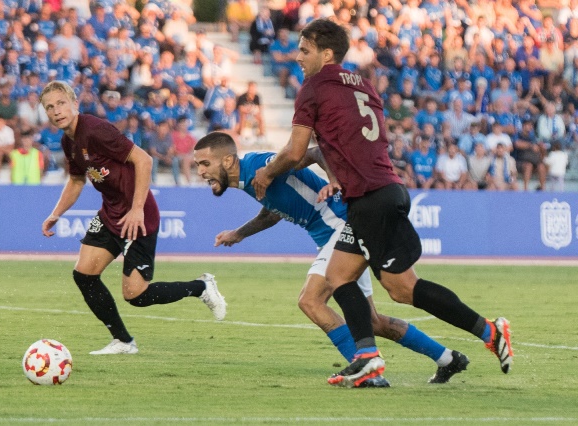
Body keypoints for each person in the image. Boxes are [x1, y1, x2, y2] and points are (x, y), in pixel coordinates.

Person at [251, 19, 512, 388]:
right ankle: (486, 332)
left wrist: (267, 173)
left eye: (304, 50)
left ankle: (370, 357)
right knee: (392, 285)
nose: (298, 57)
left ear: (327, 54)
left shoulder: (313, 88)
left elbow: (295, 152)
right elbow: (352, 138)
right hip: (387, 188)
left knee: (358, 281)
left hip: (370, 198)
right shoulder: (364, 85)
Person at [194, 132, 469, 384]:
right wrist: (239, 233)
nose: (200, 171)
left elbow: (314, 152)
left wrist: (335, 180)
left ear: (228, 160)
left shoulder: (258, 165)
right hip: (334, 232)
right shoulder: (249, 180)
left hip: (340, 226)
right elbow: (273, 211)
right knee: (371, 321)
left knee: (311, 300)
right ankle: (448, 358)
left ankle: (366, 372)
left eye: (205, 163)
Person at [39, 81, 226, 355]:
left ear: (75, 104)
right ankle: (123, 342)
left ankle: (201, 287)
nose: (57, 111)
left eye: (61, 103)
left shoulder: (95, 129)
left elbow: (144, 160)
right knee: (84, 275)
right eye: (50, 107)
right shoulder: (69, 141)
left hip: (139, 216)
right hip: (110, 213)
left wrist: (137, 208)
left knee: (136, 296)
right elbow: (77, 180)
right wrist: (56, 214)